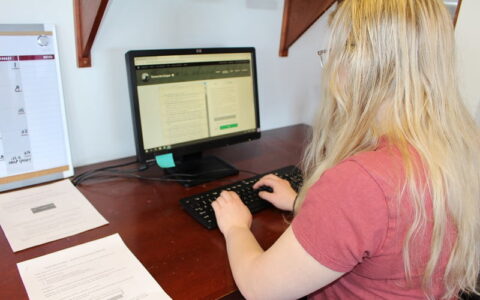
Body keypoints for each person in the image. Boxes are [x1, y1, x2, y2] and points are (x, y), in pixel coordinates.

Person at [211, 0, 480, 299]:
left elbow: (259, 289)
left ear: (361, 64)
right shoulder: (460, 149)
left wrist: (236, 227)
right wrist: (302, 202)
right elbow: (382, 228)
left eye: (333, 54)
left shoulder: (361, 181)